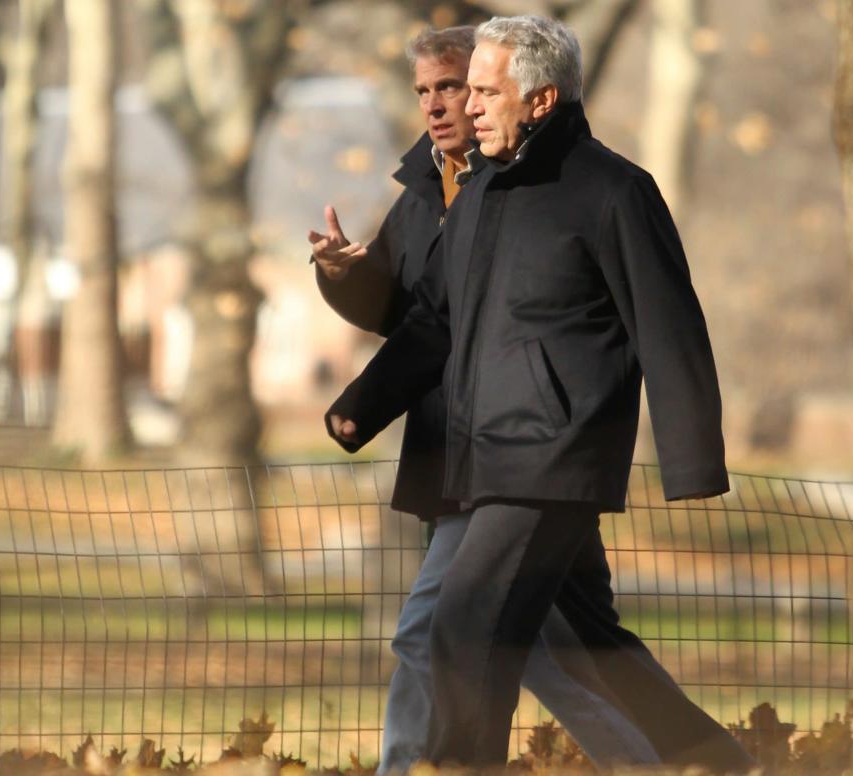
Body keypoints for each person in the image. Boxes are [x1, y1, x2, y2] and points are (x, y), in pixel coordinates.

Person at [326, 16, 757, 774]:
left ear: (541, 98)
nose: (472, 107)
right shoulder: (484, 191)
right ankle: (714, 762)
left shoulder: (614, 190)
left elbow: (670, 329)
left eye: (486, 91)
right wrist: (363, 403)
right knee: (591, 645)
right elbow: (434, 321)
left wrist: (692, 463)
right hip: (481, 456)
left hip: (553, 455)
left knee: (463, 630)